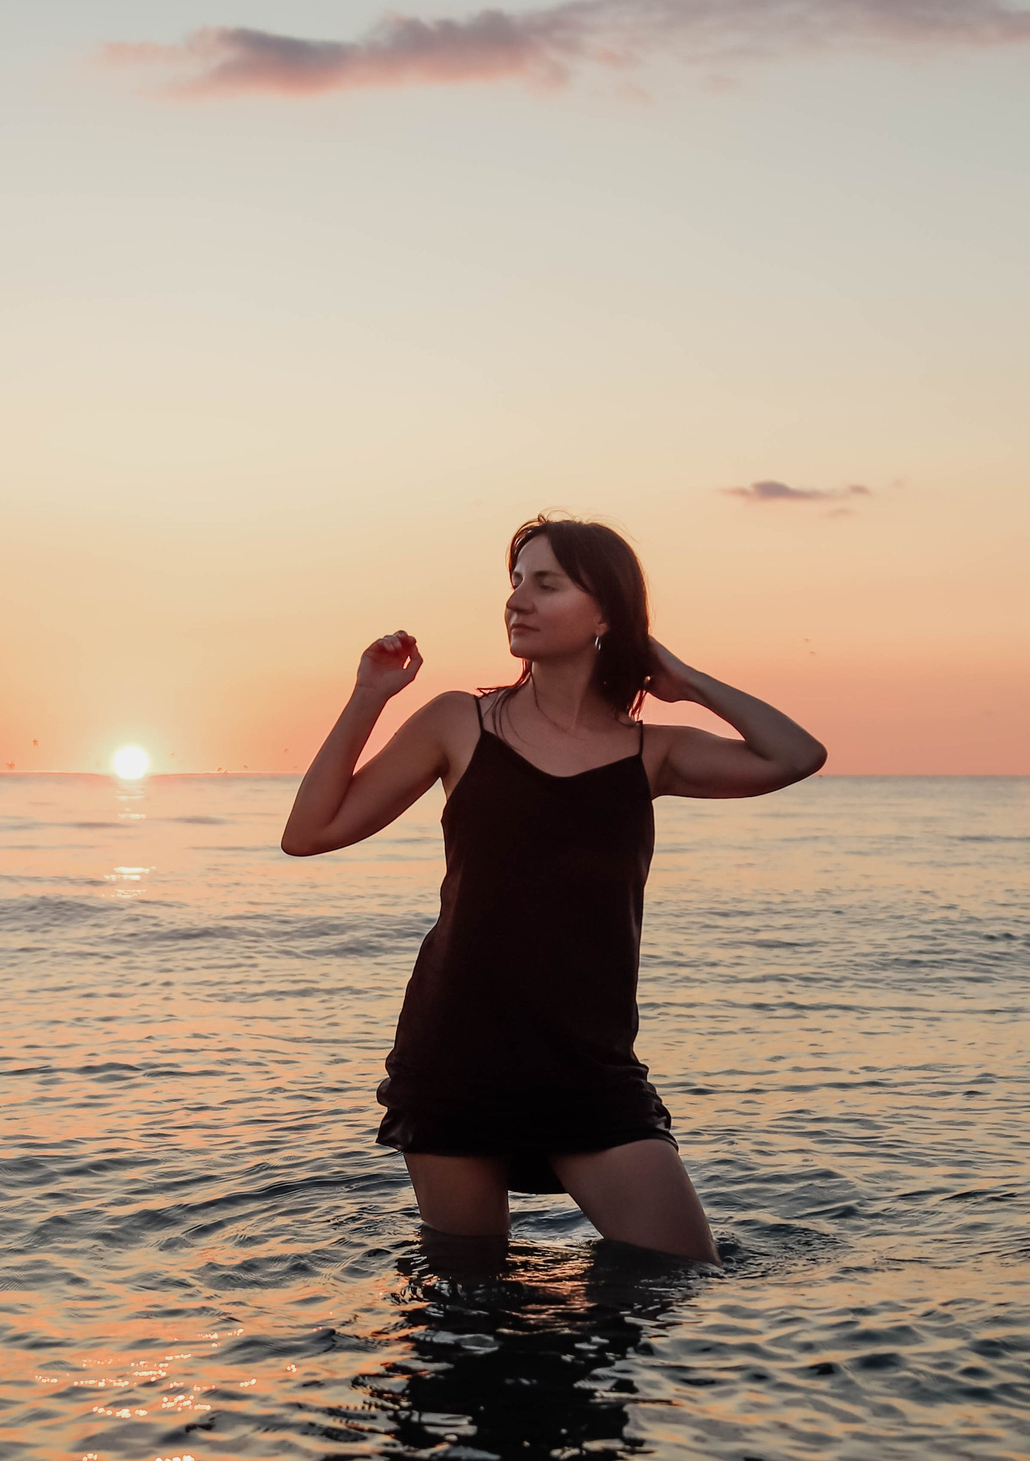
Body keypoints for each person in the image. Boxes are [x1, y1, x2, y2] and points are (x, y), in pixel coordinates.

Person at [281, 515, 826, 1262]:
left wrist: (688, 680)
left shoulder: (651, 753)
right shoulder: (458, 722)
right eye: (515, 582)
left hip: (588, 1065)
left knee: (686, 1270)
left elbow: (797, 755)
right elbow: (309, 831)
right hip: (456, 1054)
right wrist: (369, 695)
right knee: (467, 1300)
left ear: (605, 612)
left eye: (547, 583)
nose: (519, 600)